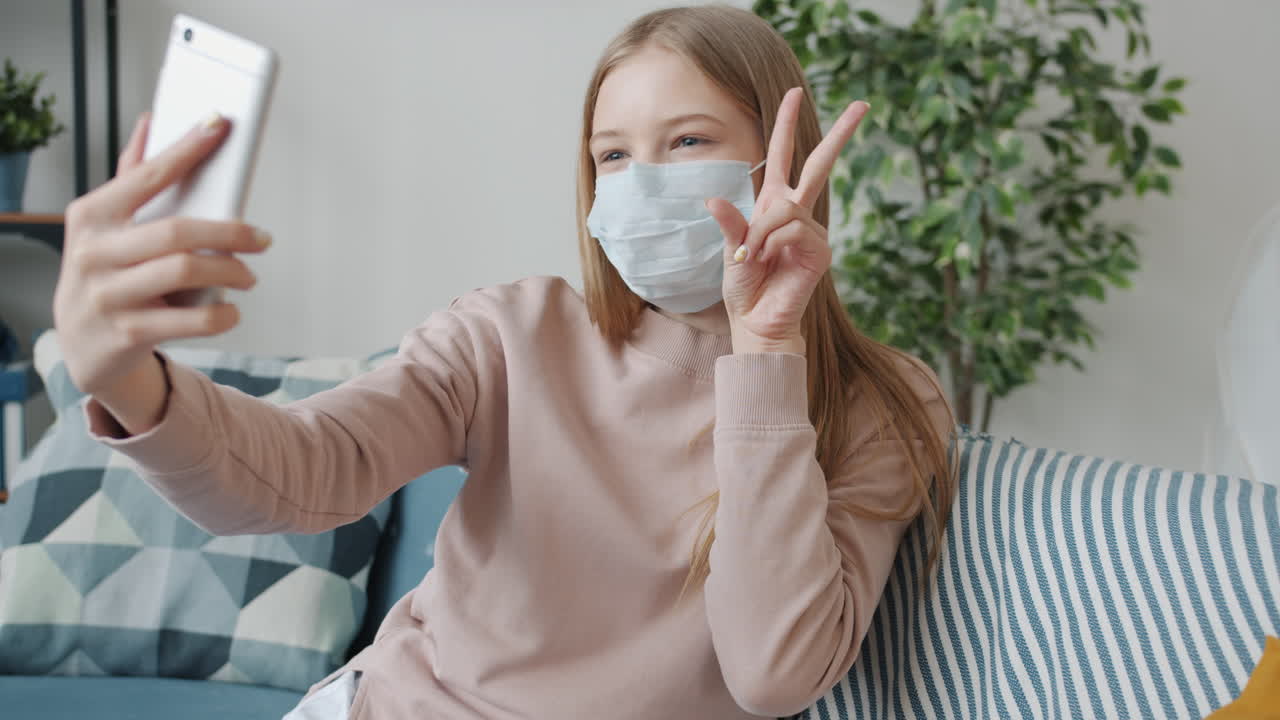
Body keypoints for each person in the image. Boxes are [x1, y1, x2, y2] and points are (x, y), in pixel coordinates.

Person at [53, 5, 955, 719]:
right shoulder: (510, 334)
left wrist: (764, 355)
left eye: (686, 142)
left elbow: (773, 675)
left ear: (783, 160)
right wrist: (125, 377)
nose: (641, 181)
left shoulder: (886, 404)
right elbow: (303, 472)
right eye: (613, 155)